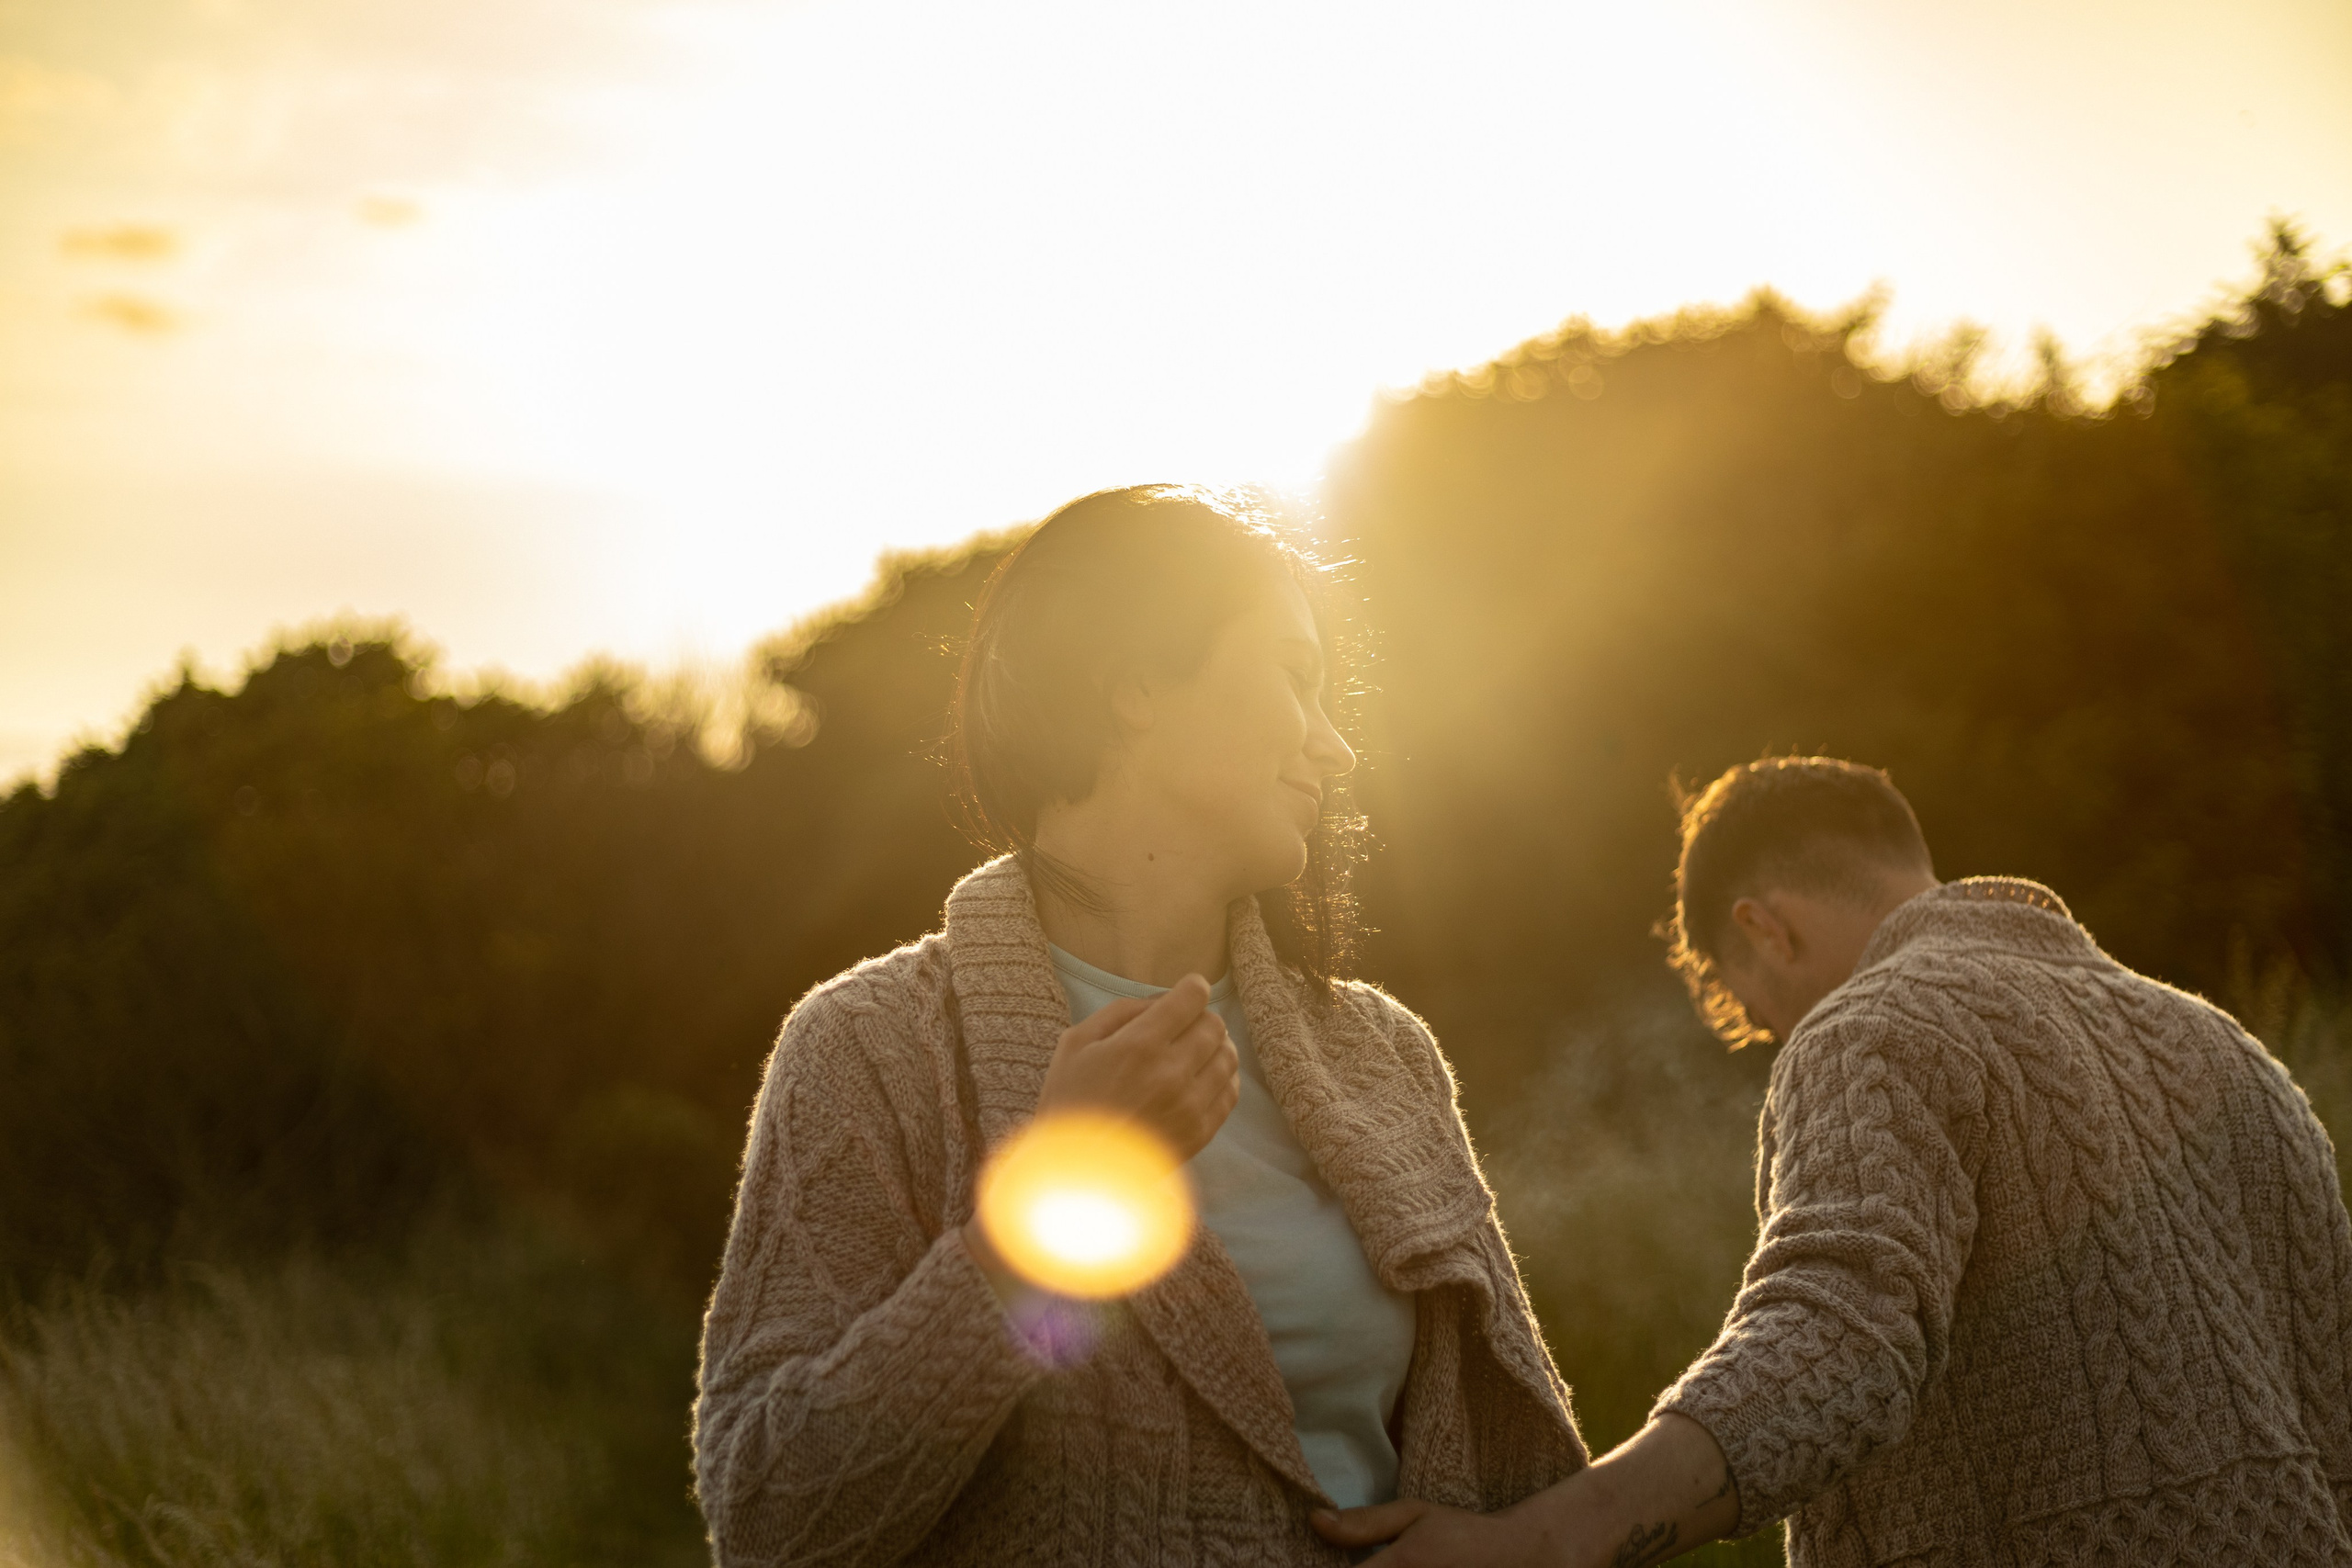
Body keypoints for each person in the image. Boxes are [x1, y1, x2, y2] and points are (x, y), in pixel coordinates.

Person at [694, 485, 1587, 1566]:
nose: (1336, 750)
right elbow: (771, 1517)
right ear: (1134, 688)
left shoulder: (1383, 1056)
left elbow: (1522, 1486)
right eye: (1295, 678)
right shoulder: (867, 1050)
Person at [1317, 755, 2352, 1566]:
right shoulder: (2230, 1055)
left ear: (1765, 928)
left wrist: (1548, 1540)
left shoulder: (1870, 1027)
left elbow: (1839, 1337)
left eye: (1757, 1014)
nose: (1781, 1039)